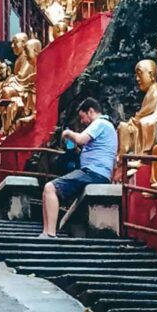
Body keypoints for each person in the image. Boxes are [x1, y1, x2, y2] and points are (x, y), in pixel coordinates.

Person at [42, 98, 118, 237]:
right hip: (98, 172)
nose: (82, 122)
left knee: (50, 188)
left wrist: (67, 133)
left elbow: (81, 139)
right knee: (49, 190)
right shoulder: (108, 126)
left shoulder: (100, 123)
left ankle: (50, 234)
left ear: (91, 111)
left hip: (94, 172)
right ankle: (46, 232)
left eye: (82, 117)